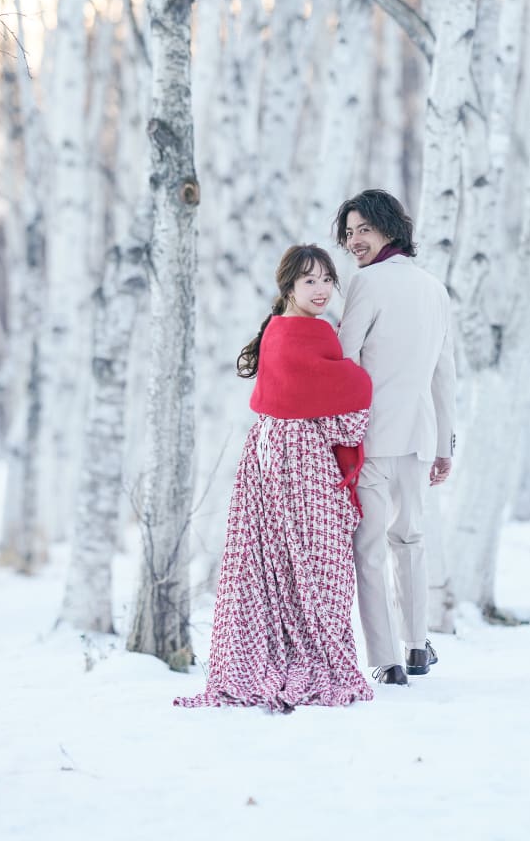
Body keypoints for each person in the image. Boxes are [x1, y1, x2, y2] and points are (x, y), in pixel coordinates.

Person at [175, 244, 374, 712]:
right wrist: (360, 380)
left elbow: (317, 396)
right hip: (297, 459)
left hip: (270, 455)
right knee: (318, 556)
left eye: (327, 278)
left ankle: (290, 649)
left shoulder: (286, 330)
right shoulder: (303, 334)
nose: (322, 289)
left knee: (291, 557)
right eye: (310, 280)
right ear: (288, 287)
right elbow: (347, 402)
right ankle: (313, 656)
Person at [334, 189, 456, 686]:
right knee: (410, 540)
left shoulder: (365, 284)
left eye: (363, 228)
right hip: (419, 436)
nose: (354, 240)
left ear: (389, 227)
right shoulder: (435, 288)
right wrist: (445, 443)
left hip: (372, 438)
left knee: (370, 548)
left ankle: (385, 659)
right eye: (348, 233)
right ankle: (416, 646)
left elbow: (345, 358)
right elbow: (443, 374)